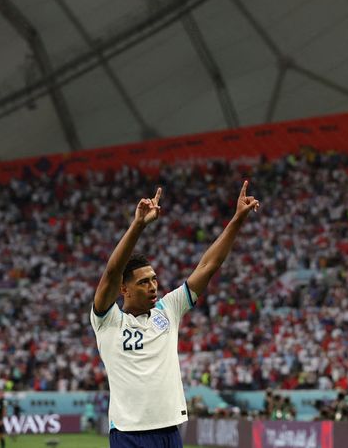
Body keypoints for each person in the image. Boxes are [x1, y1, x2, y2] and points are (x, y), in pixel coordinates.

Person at [91, 182, 260, 448]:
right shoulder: (107, 320)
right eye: (143, 282)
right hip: (128, 433)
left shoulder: (168, 309)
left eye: (154, 279)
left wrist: (237, 220)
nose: (153, 286)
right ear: (124, 289)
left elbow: (208, 265)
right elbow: (111, 273)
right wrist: (138, 225)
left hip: (169, 431)